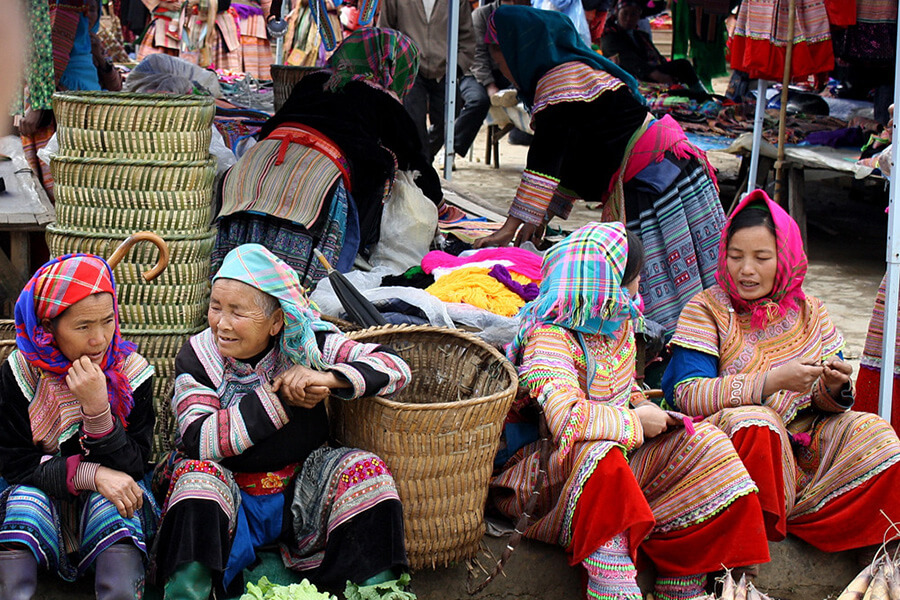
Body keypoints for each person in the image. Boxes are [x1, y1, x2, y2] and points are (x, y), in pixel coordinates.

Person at [492, 222, 769, 600]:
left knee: (705, 441)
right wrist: (635, 420)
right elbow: (565, 418)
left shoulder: (616, 327)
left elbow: (621, 390)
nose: (638, 288)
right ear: (608, 283)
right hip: (546, 475)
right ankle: (613, 580)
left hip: (617, 463)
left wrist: (642, 405)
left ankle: (683, 578)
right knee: (599, 452)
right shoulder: (549, 335)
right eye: (634, 278)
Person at [152, 244, 413, 598]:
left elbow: (396, 367)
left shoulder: (306, 341)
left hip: (299, 493)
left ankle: (374, 590)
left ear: (276, 321)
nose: (222, 323)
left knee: (367, 471)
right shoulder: (198, 356)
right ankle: (191, 591)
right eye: (216, 307)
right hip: (230, 502)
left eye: (237, 312)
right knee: (197, 481)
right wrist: (282, 399)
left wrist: (328, 379)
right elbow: (202, 440)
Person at [662, 190, 900, 561]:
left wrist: (835, 387)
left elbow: (825, 401)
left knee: (875, 432)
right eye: (735, 256)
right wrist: (771, 382)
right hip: (735, 450)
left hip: (804, 445)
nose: (745, 270)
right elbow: (687, 394)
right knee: (760, 423)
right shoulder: (707, 309)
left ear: (785, 258)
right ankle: (745, 558)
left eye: (762, 258)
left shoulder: (811, 311)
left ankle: (872, 547)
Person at [474, 6, 726, 340]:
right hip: (669, 172)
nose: (497, 62)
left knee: (661, 284)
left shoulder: (559, 82)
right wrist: (539, 216)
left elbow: (544, 162)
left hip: (657, 182)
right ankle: (701, 343)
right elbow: (571, 155)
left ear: (520, 45)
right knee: (694, 278)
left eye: (497, 50)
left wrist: (509, 228)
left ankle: (684, 349)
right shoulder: (571, 76)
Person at [212, 27, 443, 288]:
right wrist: (436, 201)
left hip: (254, 168)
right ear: (394, 67)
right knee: (290, 287)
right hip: (312, 183)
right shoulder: (383, 101)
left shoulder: (312, 81)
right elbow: (417, 163)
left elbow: (269, 129)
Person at [0, 254, 159, 599]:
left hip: (107, 500)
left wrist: (99, 409)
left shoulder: (132, 373)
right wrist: (91, 474)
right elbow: (14, 465)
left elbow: (134, 465)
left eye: (107, 321)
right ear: (48, 326)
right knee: (25, 503)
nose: (99, 339)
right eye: (83, 326)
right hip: (40, 495)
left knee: (119, 505)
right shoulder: (21, 372)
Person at [18, 0, 123, 201]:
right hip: (63, 89)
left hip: (67, 94)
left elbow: (56, 45)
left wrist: (39, 105)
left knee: (69, 183)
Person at [378, 0, 476, 161]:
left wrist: (458, 66)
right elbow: (386, 31)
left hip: (446, 68)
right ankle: (422, 166)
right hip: (409, 67)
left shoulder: (458, 2)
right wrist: (394, 65)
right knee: (413, 120)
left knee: (449, 118)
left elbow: (467, 36)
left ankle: (425, 158)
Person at [600, 0, 706, 93]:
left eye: (633, 14)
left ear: (638, 16)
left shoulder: (640, 36)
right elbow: (628, 59)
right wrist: (655, 74)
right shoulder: (609, 36)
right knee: (682, 66)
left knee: (682, 66)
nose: (628, 18)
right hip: (633, 76)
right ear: (617, 14)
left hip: (648, 71)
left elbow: (657, 57)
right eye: (625, 14)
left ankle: (700, 94)